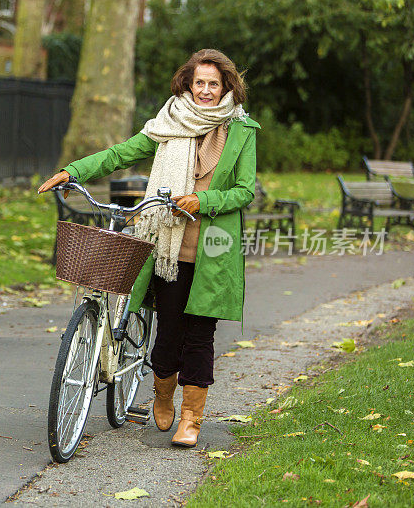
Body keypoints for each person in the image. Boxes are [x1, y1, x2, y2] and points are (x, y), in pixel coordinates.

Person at [38, 49, 258, 448]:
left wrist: (202, 201)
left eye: (214, 84)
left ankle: (191, 417)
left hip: (211, 249)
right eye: (199, 83)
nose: (206, 91)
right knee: (169, 331)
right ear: (187, 85)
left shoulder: (242, 131)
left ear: (227, 86)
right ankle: (162, 394)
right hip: (168, 249)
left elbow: (244, 191)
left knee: (200, 335)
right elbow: (121, 154)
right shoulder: (168, 123)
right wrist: (74, 170)